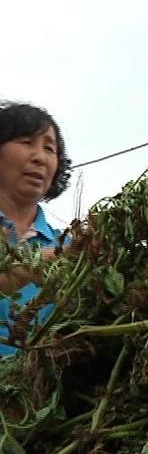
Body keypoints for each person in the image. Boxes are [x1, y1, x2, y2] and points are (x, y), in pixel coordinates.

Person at [0, 101, 72, 357]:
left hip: (41, 393)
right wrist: (29, 269)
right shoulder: (58, 255)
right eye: (26, 142)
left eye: (49, 149)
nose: (40, 157)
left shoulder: (70, 248)